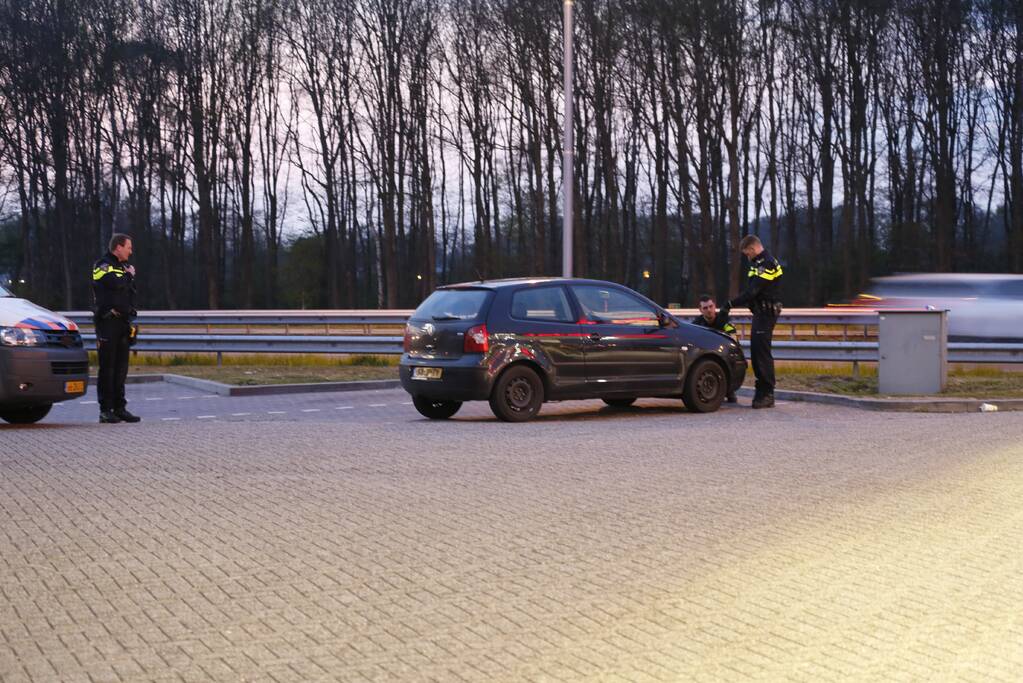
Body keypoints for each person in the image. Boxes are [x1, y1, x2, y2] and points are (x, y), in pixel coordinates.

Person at [724, 235, 783, 409]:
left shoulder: (767, 264)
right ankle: (763, 391)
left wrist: (730, 303)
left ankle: (767, 393)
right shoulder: (758, 264)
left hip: (766, 313)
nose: (747, 257)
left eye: (747, 254)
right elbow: (751, 289)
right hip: (760, 313)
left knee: (761, 353)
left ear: (752, 248)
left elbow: (753, 291)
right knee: (758, 352)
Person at [93, 233, 140, 423]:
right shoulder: (102, 265)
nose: (131, 250)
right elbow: (114, 285)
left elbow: (128, 291)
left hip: (122, 322)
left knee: (121, 368)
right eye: (128, 247)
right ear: (118, 247)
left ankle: (120, 407)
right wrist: (128, 275)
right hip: (107, 322)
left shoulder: (123, 267)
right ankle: (106, 410)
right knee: (108, 368)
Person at [691, 294, 738, 403]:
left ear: (714, 306)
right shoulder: (697, 324)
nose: (709, 310)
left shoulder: (723, 319)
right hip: (705, 353)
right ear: (700, 310)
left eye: (711, 306)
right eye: (705, 308)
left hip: (724, 351)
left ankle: (730, 390)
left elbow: (733, 336)